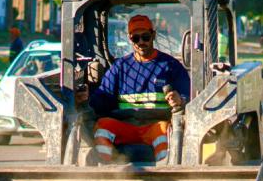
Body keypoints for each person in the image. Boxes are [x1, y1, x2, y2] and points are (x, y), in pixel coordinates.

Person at [77, 14, 189, 163]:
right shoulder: (120, 67)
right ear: (130, 39)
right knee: (103, 126)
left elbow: (188, 94)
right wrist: (86, 99)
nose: (141, 42)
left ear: (153, 35)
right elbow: (103, 97)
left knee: (164, 131)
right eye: (136, 38)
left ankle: (164, 170)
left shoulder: (171, 65)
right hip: (126, 125)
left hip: (156, 124)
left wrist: (180, 100)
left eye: (145, 37)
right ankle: (106, 170)